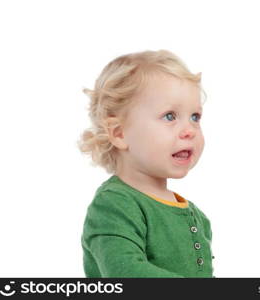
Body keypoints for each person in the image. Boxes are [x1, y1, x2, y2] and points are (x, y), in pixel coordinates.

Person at [77, 49, 214, 278]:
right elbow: (126, 272)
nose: (189, 131)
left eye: (195, 117)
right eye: (170, 116)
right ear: (120, 133)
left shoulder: (197, 217)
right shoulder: (114, 205)